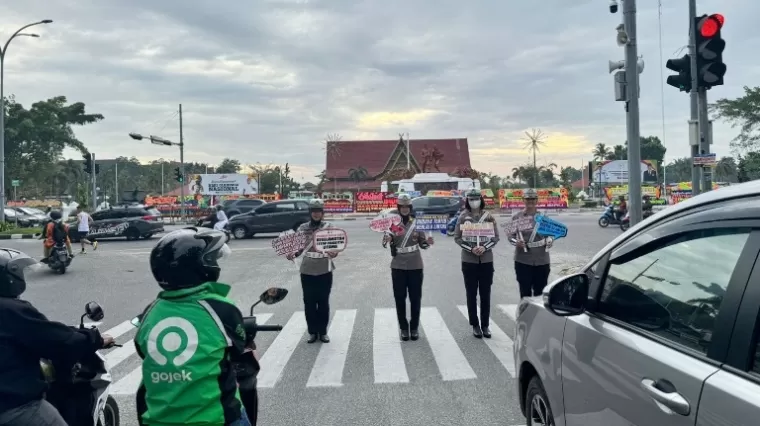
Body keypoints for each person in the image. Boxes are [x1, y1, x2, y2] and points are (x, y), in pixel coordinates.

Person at [134, 228, 255, 426]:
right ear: (201, 267)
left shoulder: (150, 311)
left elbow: (141, 348)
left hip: (156, 420)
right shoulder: (220, 308)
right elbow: (238, 346)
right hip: (214, 419)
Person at [0, 248, 113, 426]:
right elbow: (59, 340)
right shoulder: (10, 309)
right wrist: (96, 338)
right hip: (13, 406)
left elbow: (39, 330)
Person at [382, 193, 433, 341]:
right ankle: (404, 328)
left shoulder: (417, 223)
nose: (404, 209)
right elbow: (385, 240)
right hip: (398, 265)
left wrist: (426, 243)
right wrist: (388, 238)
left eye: (407, 206)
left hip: (415, 265)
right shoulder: (392, 224)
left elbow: (423, 242)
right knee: (400, 298)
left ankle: (414, 328)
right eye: (402, 206)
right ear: (398, 208)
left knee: (415, 298)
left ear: (410, 208)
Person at [286, 199, 337, 343]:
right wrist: (293, 254)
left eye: (318, 211)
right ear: (310, 213)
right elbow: (298, 247)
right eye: (313, 211)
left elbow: (335, 245)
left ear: (322, 213)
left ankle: (323, 332)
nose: (316, 214)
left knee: (323, 301)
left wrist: (334, 253)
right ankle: (312, 332)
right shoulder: (302, 228)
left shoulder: (329, 227)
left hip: (324, 267)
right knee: (309, 302)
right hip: (307, 268)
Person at [454, 189, 499, 338]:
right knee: (471, 293)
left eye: (476, 198)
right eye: (471, 199)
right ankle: (475, 325)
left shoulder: (489, 217)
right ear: (467, 200)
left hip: (486, 260)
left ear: (481, 199)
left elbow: (496, 237)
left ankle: (485, 325)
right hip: (469, 261)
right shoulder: (463, 217)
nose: (474, 201)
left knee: (485, 294)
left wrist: (484, 247)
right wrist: (471, 248)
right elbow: (457, 238)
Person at [507, 188, 553, 299]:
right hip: (523, 261)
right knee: (525, 294)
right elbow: (510, 236)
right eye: (528, 199)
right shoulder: (517, 217)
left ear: (537, 200)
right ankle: (524, 316)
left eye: (533, 199)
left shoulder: (544, 218)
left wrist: (550, 241)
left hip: (541, 261)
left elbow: (551, 235)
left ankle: (537, 317)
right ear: (523, 200)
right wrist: (516, 242)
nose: (530, 201)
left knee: (540, 294)